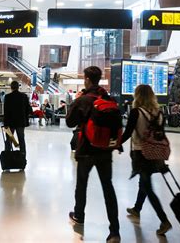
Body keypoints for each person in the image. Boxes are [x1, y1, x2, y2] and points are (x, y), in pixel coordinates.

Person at [66, 66, 120, 243]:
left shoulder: (84, 99)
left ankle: (79, 215)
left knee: (81, 185)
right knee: (108, 188)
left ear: (87, 79)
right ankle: (114, 231)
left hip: (86, 149)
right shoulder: (107, 98)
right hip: (105, 150)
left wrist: (76, 103)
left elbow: (69, 122)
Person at [121, 84, 172, 236]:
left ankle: (164, 220)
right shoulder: (159, 112)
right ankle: (137, 209)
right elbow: (160, 134)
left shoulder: (136, 112)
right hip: (155, 153)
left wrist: (114, 144)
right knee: (144, 181)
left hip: (141, 152)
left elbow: (128, 133)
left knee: (147, 186)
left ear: (137, 95)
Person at [3, 81, 32, 159]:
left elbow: (6, 111)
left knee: (9, 140)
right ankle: (23, 157)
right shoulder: (24, 96)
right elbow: (29, 110)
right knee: (21, 140)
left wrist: (5, 124)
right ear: (18, 87)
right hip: (21, 122)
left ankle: (7, 157)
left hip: (10, 123)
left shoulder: (7, 97)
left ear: (11, 87)